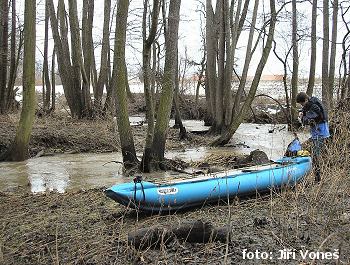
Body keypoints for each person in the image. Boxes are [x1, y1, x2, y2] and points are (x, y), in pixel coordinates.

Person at [296, 92, 330, 182]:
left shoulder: (314, 106)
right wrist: (301, 112)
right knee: (316, 153)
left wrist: (302, 118)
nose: (302, 105)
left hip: (320, 133)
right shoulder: (311, 102)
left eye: (302, 103)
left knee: (315, 155)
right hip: (318, 132)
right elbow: (305, 109)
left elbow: (309, 120)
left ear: (306, 100)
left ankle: (318, 179)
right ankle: (320, 176)